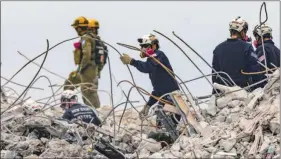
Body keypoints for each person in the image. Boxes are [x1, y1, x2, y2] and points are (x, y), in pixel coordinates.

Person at [119, 33, 180, 121]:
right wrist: (148, 105)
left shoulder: (158, 55)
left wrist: (132, 61)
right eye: (142, 47)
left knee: (169, 124)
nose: (143, 49)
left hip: (172, 98)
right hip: (164, 98)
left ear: (154, 45)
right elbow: (158, 90)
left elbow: (147, 67)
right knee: (161, 126)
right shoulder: (152, 61)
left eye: (145, 46)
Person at [211, 16, 264, 93]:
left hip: (223, 93)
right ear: (242, 31)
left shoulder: (218, 49)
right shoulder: (247, 47)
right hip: (242, 92)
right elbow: (255, 71)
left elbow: (215, 76)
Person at [63, 16, 101, 108]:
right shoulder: (94, 38)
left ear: (79, 28)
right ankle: (68, 105)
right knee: (70, 81)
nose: (76, 30)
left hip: (87, 69)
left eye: (76, 28)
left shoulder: (86, 38)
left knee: (88, 91)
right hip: (90, 68)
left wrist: (81, 69)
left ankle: (94, 110)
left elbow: (86, 55)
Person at [87, 18, 108, 96]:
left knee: (89, 94)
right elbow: (103, 60)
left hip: (89, 73)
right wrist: (98, 70)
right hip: (96, 73)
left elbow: (86, 56)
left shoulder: (91, 41)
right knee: (92, 93)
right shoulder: (100, 43)